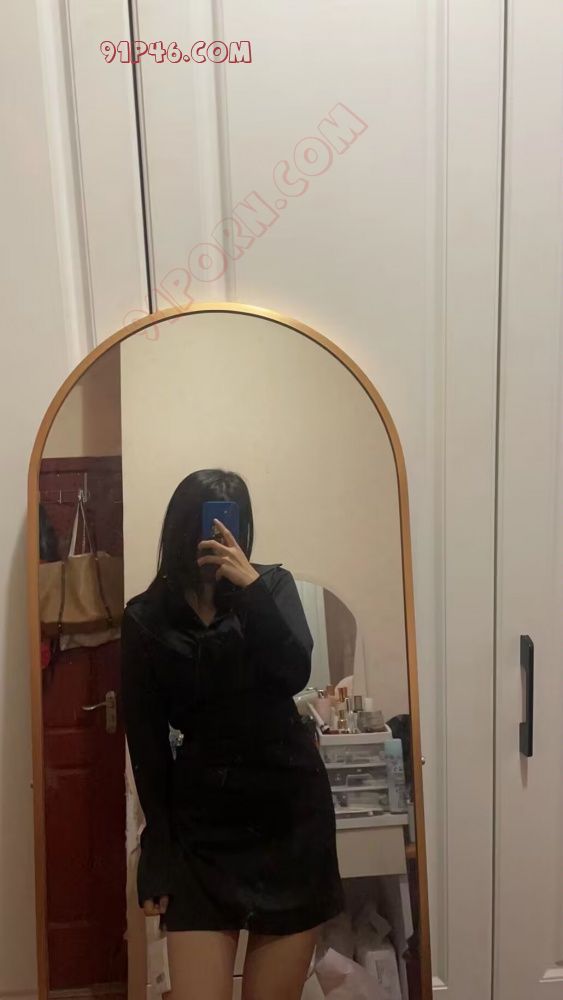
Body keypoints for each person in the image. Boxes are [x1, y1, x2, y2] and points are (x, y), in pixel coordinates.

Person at [121, 470, 343, 1000]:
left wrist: (251, 591)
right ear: (181, 529)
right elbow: (146, 741)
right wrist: (157, 848)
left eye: (231, 523)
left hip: (289, 817)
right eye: (205, 522)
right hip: (202, 829)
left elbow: (293, 672)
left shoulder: (273, 587)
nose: (218, 534)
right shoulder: (146, 617)